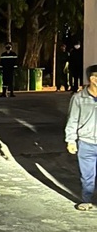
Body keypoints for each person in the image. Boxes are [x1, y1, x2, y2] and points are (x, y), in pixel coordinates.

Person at [64, 65, 97, 211]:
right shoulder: (78, 98)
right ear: (93, 79)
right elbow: (72, 120)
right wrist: (71, 140)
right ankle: (86, 200)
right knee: (87, 176)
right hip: (86, 143)